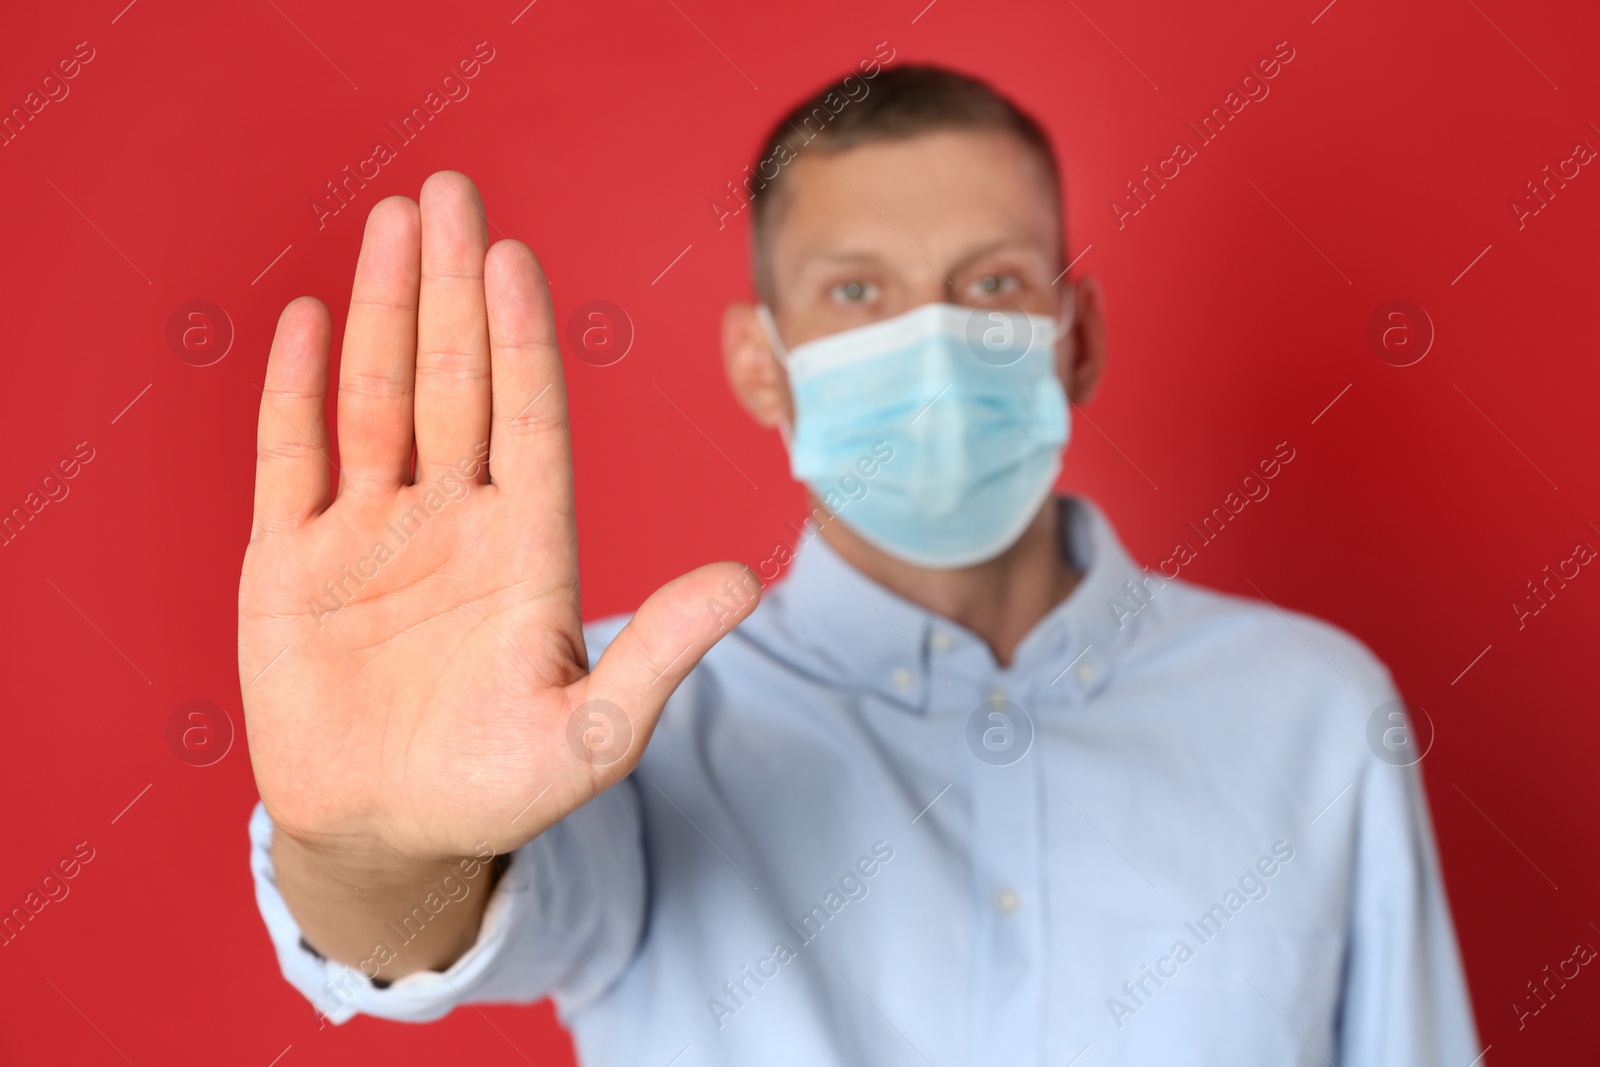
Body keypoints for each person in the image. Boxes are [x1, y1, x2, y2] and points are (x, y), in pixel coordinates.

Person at [241, 65, 1480, 1065]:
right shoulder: (608, 710)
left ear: (1077, 339)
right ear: (760, 363)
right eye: (855, 291)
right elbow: (425, 924)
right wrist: (366, 848)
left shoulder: (1316, 712)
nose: (930, 340)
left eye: (990, 283)